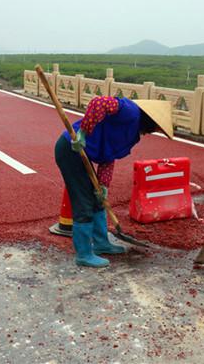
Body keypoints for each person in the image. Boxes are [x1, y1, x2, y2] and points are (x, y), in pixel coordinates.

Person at [55, 95, 173, 268]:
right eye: (155, 128)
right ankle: (84, 254)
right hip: (71, 149)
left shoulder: (132, 134)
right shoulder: (130, 111)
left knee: (98, 200)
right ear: (149, 120)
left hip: (84, 154)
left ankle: (102, 243)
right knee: (84, 200)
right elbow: (99, 102)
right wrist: (83, 132)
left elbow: (109, 156)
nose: (151, 132)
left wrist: (103, 185)